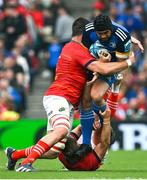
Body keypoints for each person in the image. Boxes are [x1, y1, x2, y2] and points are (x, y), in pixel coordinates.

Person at [5, 17, 136, 172]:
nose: (96, 38)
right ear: (85, 33)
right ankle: (27, 162)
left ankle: (14, 155)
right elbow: (104, 70)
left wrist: (127, 39)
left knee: (55, 150)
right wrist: (128, 62)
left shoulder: (77, 49)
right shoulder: (77, 49)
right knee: (61, 130)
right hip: (60, 97)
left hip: (66, 100)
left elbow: (106, 51)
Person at [78, 14, 144, 151]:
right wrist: (96, 66)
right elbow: (83, 54)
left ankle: (105, 120)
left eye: (106, 33)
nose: (102, 36)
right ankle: (86, 143)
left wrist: (104, 66)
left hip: (111, 67)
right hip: (92, 64)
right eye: (99, 34)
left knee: (96, 96)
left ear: (111, 29)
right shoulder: (88, 31)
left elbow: (121, 64)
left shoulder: (122, 37)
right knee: (85, 101)